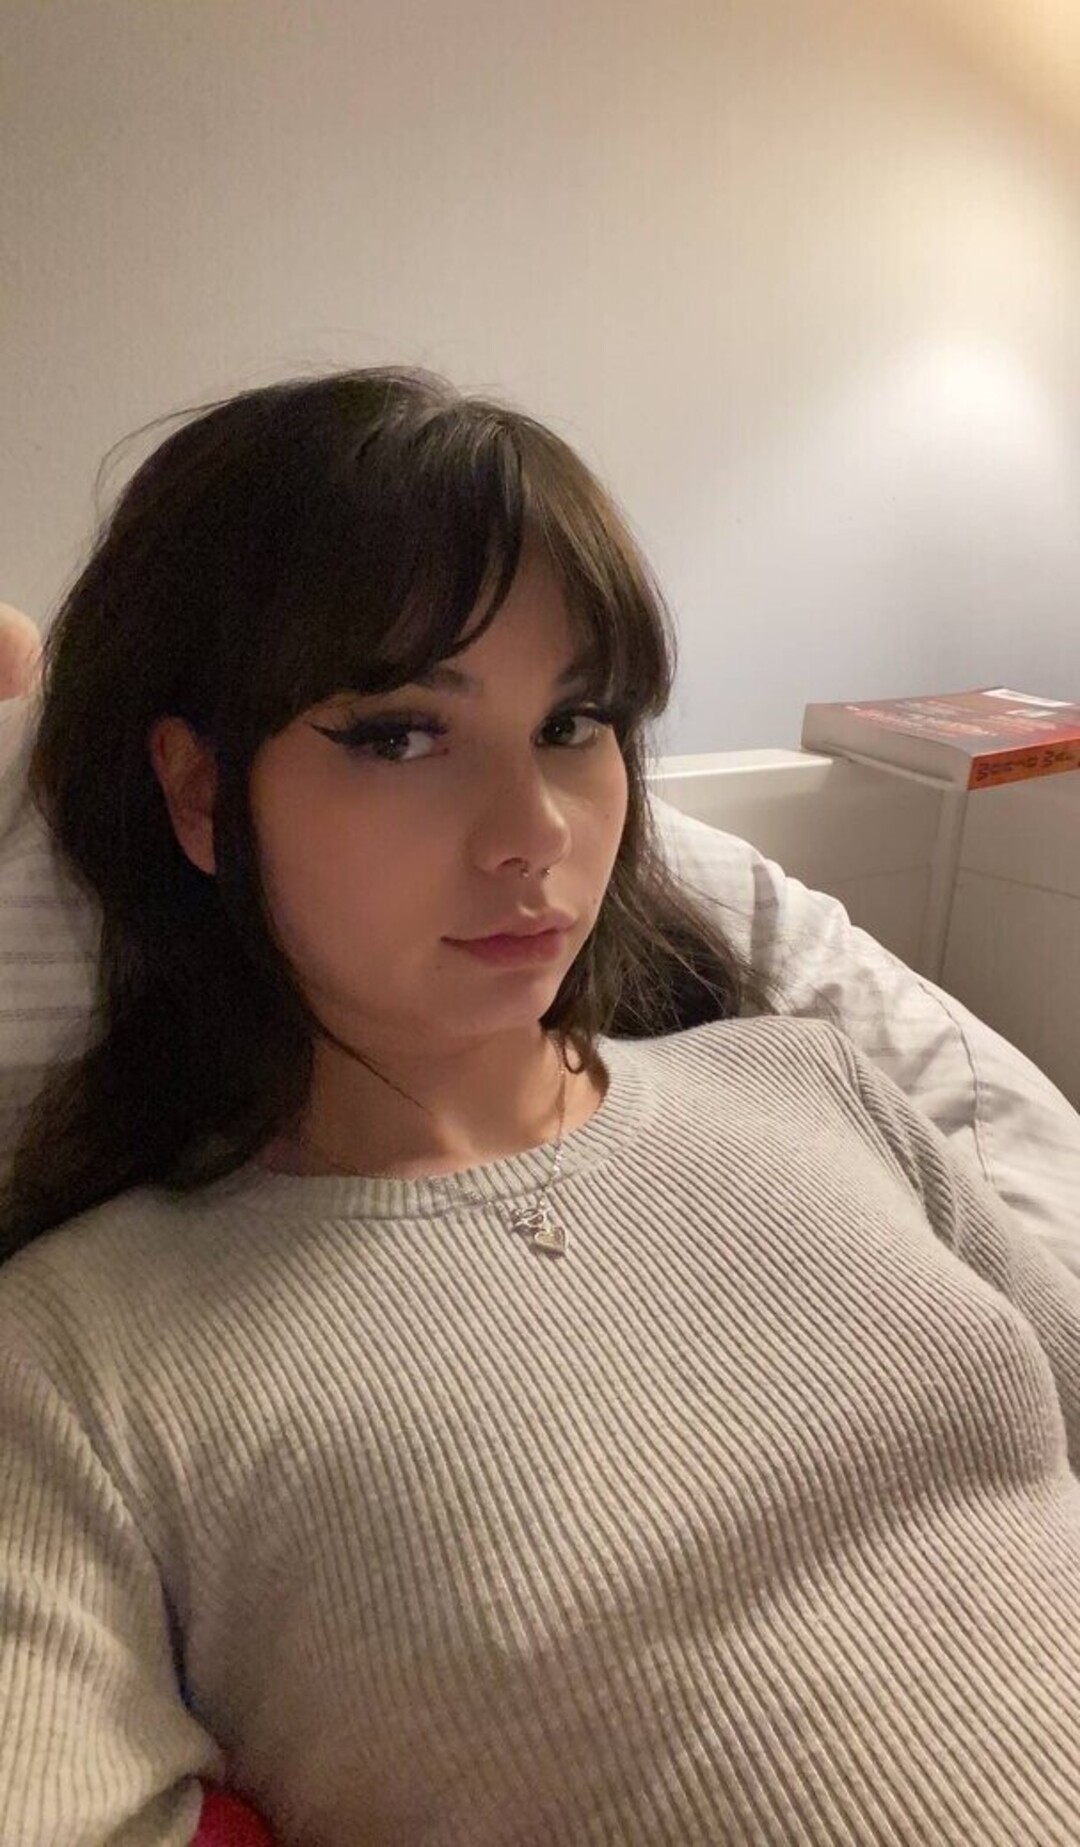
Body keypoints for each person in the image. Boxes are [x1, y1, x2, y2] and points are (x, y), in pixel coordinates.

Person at [0, 368, 1077, 1847]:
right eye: (400, 733)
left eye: (576, 723)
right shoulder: (81, 1361)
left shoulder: (810, 1084)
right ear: (198, 793)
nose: (537, 834)